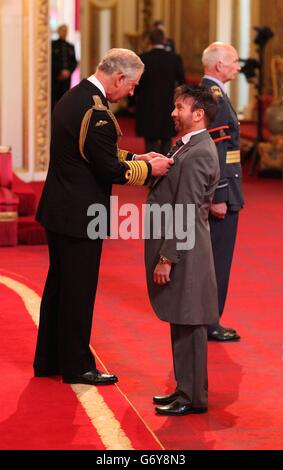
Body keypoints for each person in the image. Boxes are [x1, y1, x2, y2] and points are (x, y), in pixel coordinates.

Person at [33, 48, 173, 386]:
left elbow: (96, 151)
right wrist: (149, 168)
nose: (133, 92)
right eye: (133, 85)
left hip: (59, 208)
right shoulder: (95, 110)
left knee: (59, 288)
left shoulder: (76, 96)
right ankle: (78, 366)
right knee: (78, 291)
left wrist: (138, 156)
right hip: (80, 214)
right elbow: (109, 168)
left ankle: (49, 359)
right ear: (119, 77)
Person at [145, 84, 220, 416]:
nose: (173, 113)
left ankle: (193, 397)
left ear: (198, 114)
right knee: (181, 318)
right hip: (183, 247)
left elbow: (186, 210)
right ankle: (184, 389)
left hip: (186, 251)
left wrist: (167, 258)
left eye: (179, 107)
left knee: (190, 322)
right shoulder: (188, 146)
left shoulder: (200, 151)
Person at [201, 42, 244, 342]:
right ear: (218, 65)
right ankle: (210, 321)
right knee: (217, 259)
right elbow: (216, 151)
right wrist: (219, 195)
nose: (238, 67)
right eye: (233, 62)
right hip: (223, 193)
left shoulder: (212, 94)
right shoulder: (214, 97)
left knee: (215, 258)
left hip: (227, 187)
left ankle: (208, 318)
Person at [135, 28, 185, 155]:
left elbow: (136, 83)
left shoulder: (142, 58)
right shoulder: (174, 58)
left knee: (150, 140)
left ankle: (151, 170)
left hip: (147, 105)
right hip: (168, 105)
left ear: (150, 41)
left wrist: (132, 102)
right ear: (164, 40)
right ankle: (165, 170)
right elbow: (182, 83)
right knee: (167, 139)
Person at [51, 24, 78, 110]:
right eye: (62, 31)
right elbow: (51, 61)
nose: (64, 33)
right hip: (55, 78)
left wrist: (68, 72)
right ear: (58, 32)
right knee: (53, 100)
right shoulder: (52, 45)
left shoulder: (70, 46)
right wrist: (60, 72)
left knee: (64, 100)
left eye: (66, 31)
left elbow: (74, 62)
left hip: (66, 79)